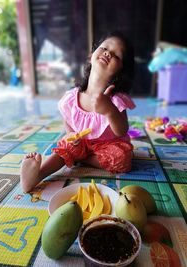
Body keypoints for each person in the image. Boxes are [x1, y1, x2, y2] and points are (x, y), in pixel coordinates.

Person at [20, 30, 136, 193]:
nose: (108, 53)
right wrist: (71, 135)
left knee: (123, 160)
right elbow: (68, 120)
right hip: (81, 142)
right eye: (104, 48)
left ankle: (83, 159)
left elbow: (122, 130)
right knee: (66, 146)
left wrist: (109, 110)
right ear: (91, 55)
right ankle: (36, 175)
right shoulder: (72, 97)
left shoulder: (115, 99)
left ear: (121, 71)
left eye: (116, 55)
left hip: (109, 144)